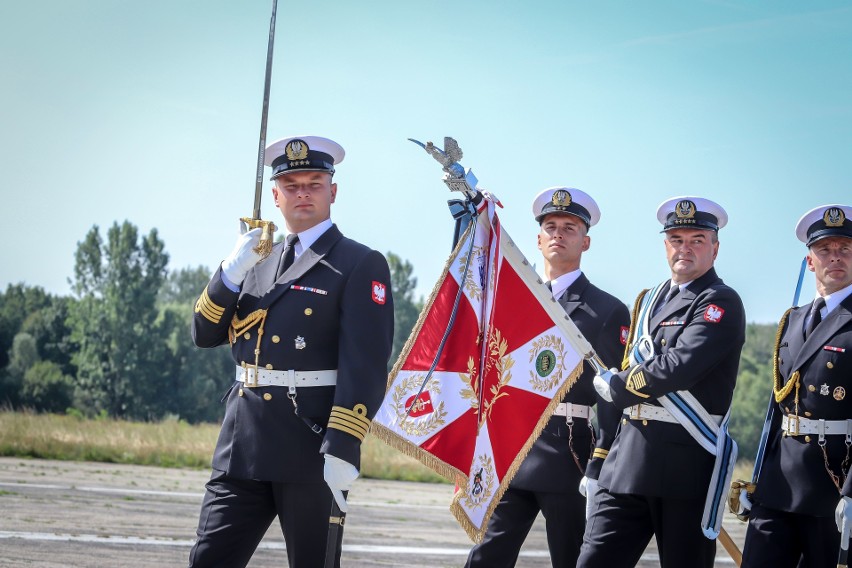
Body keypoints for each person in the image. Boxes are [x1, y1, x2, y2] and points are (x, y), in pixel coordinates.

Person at [187, 135, 394, 568]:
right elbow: (204, 333)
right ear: (276, 195)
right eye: (292, 184)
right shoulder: (255, 260)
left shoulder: (358, 262)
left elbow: (367, 365)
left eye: (314, 182)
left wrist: (344, 446)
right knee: (208, 560)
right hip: (242, 444)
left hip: (310, 447)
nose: (303, 192)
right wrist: (228, 272)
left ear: (332, 192)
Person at [464, 187, 630, 568]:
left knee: (571, 559)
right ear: (538, 239)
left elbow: (612, 395)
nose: (558, 233)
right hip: (514, 447)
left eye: (569, 228)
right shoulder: (514, 298)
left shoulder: (607, 309)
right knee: (486, 556)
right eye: (550, 226)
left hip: (569, 453)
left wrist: (599, 463)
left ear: (585, 242)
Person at [578, 196, 746, 568]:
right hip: (627, 462)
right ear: (665, 245)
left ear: (714, 248)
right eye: (676, 239)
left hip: (684, 465)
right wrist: (599, 462)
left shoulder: (720, 301)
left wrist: (620, 385)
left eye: (697, 240)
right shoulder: (648, 301)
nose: (684, 248)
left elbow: (679, 364)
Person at [739, 204, 852, 567]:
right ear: (810, 261)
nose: (835, 257)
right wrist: (757, 478)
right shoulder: (793, 319)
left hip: (833, 483)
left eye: (845, 250)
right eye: (825, 250)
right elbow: (779, 406)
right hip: (778, 484)